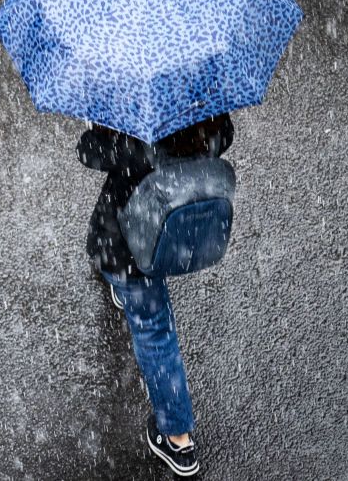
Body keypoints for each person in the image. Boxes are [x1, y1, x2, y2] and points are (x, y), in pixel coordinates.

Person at [77, 114, 234, 478]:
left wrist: (97, 127)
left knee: (152, 329)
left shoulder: (128, 120)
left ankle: (177, 438)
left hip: (129, 235)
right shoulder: (199, 104)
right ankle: (178, 440)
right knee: (148, 308)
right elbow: (223, 134)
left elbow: (91, 152)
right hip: (174, 221)